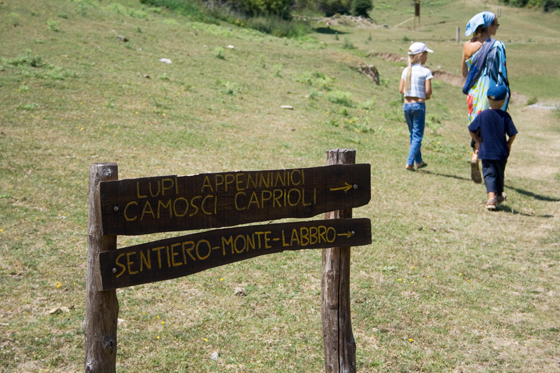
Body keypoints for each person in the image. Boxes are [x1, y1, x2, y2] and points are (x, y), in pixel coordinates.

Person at [462, 11, 509, 183]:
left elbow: (464, 72)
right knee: (492, 127)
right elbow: (501, 73)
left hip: (473, 93)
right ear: (488, 26)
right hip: (489, 91)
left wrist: (474, 85)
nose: (497, 27)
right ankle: (490, 170)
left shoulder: (467, 45)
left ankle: (476, 153)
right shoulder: (497, 46)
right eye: (496, 24)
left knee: (478, 125)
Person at [468, 85, 517, 210]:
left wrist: (477, 142)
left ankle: (491, 199)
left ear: (488, 99)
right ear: (503, 101)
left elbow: (472, 129)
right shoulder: (505, 116)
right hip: (501, 152)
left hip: (486, 151)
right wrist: (509, 143)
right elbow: (513, 133)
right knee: (499, 173)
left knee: (489, 174)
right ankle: (499, 195)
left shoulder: (483, 115)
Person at [399, 42, 433, 171]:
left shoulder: (406, 70)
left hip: (406, 106)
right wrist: (425, 96)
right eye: (426, 54)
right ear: (421, 55)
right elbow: (428, 92)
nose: (427, 57)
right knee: (418, 135)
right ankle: (409, 162)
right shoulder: (425, 72)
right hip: (419, 105)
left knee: (413, 134)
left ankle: (418, 161)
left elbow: (401, 90)